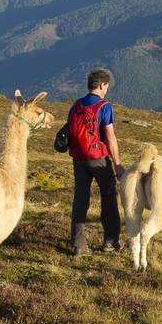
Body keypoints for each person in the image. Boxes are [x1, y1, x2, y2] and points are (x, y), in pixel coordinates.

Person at [66, 68, 122, 255]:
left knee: (80, 200)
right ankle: (110, 241)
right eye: (106, 86)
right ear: (101, 85)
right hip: (98, 159)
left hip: (78, 159)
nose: (106, 89)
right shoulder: (104, 106)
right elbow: (110, 137)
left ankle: (78, 245)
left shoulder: (76, 105)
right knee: (108, 197)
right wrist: (117, 163)